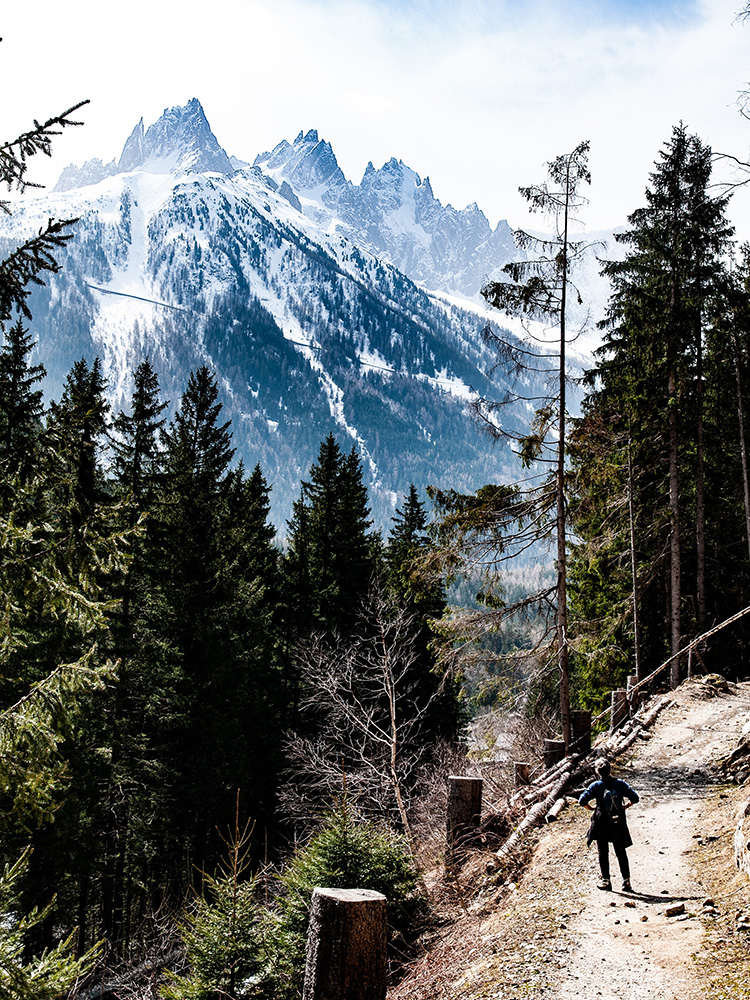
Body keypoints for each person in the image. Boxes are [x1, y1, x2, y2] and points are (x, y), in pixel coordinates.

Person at [579, 758, 639, 892]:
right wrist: (626, 806)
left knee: (603, 852)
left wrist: (591, 808)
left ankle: (606, 881)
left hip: (601, 823)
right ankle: (626, 882)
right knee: (620, 851)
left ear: (597, 771)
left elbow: (582, 800)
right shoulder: (620, 784)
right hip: (618, 823)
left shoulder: (596, 785)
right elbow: (635, 798)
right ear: (610, 769)